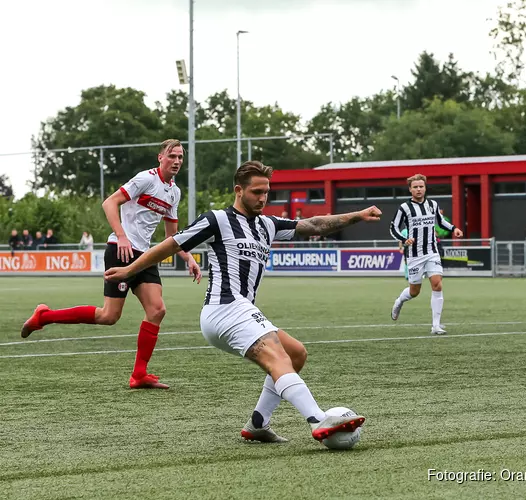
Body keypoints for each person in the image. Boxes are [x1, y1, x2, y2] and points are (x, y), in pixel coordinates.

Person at [104, 161, 377, 444]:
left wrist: (358, 215)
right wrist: (129, 270)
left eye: (266, 193)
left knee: (296, 354)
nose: (262, 198)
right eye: (256, 192)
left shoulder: (267, 225)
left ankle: (258, 423)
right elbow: (172, 244)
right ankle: (317, 419)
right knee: (278, 356)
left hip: (242, 310)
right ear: (238, 190)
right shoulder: (216, 220)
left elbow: (316, 224)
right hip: (224, 308)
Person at [20, 139, 201, 390]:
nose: (177, 161)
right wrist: (122, 236)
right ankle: (44, 316)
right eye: (172, 156)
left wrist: (188, 257)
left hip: (145, 256)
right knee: (109, 316)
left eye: (180, 157)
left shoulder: (174, 192)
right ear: (160, 157)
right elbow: (109, 202)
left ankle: (139, 375)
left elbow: (172, 236)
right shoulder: (145, 179)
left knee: (157, 310)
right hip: (120, 250)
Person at [389, 174, 463, 335]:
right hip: (415, 255)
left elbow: (440, 221)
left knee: (437, 284)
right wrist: (404, 239)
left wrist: (454, 228)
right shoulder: (405, 208)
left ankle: (435, 325)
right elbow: (393, 227)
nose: (418, 189)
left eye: (421, 186)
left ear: (425, 187)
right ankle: (399, 301)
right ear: (410, 189)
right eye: (415, 187)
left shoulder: (432, 204)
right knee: (414, 291)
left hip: (431, 251)